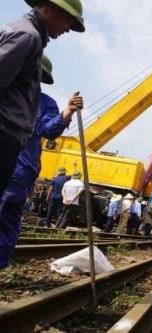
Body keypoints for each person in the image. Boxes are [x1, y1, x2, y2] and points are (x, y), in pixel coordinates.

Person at [0, 55, 83, 268]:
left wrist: (67, 112)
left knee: (6, 218)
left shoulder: (43, 103)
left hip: (18, 170)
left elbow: (49, 129)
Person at [0, 0, 85, 198]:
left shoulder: (28, 36)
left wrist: (67, 112)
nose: (68, 29)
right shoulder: (27, 36)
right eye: (68, 21)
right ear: (52, 9)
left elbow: (47, 129)